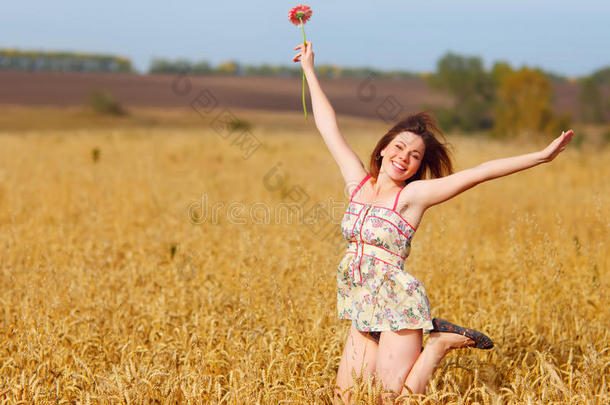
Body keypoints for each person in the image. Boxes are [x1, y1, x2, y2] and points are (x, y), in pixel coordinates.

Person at [292, 41, 574, 403]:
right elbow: (328, 127)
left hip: (397, 304)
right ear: (383, 148)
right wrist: (310, 70)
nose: (403, 158)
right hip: (362, 305)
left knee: (390, 398)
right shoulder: (357, 184)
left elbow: (478, 173)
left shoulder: (411, 197)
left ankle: (437, 345)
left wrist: (540, 156)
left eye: (414, 155)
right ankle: (435, 342)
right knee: (344, 398)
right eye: (398, 147)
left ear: (417, 166)